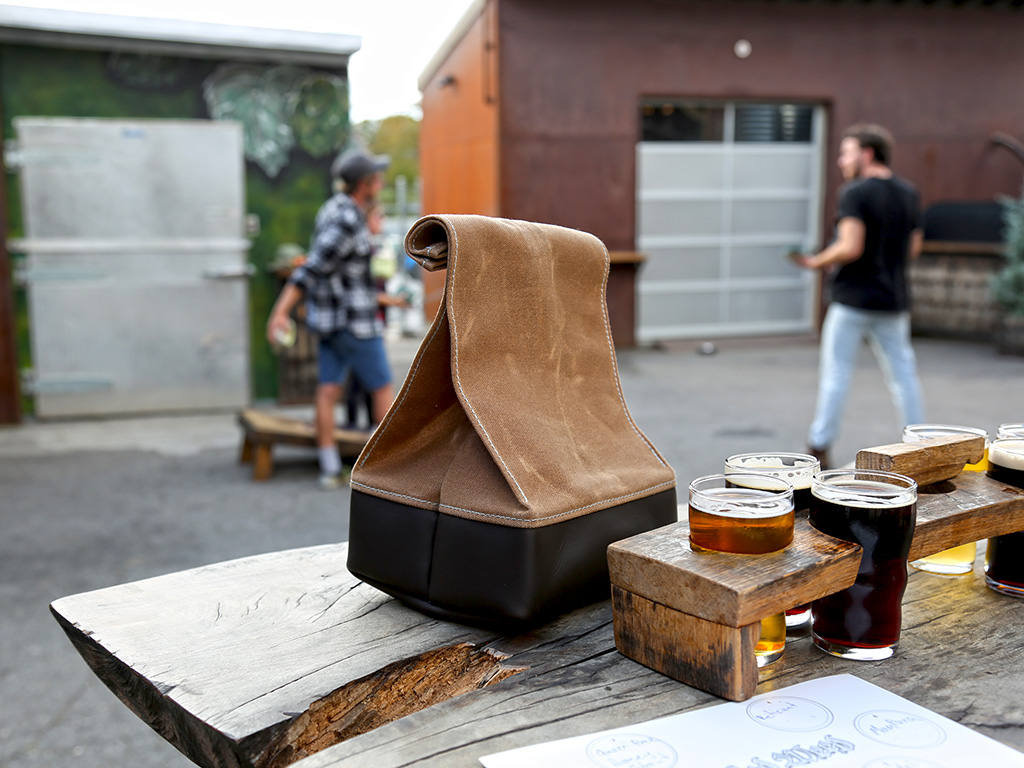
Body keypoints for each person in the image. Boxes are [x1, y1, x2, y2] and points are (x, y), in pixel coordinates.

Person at [266, 150, 406, 488]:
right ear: (364, 185)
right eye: (377, 178)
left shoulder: (336, 210)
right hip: (354, 324)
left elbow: (339, 273)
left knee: (327, 390)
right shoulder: (346, 219)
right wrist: (280, 312)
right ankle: (391, 472)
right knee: (383, 390)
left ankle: (330, 469)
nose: (382, 182)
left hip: (330, 321)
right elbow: (312, 269)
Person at [794, 124, 925, 469]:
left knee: (836, 373)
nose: (841, 161)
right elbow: (913, 248)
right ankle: (922, 445)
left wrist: (816, 261)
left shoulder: (856, 193)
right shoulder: (908, 193)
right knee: (903, 375)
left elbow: (851, 246)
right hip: (893, 299)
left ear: (867, 154)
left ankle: (819, 447)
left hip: (853, 300)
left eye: (846, 152)